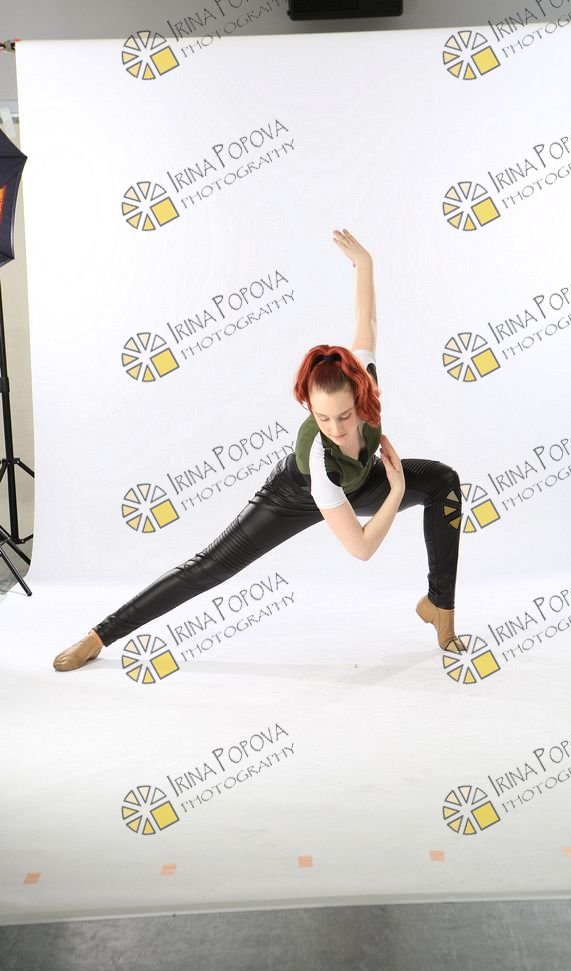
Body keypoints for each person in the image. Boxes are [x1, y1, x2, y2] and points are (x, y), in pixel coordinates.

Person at [53, 229, 463, 672]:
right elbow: (361, 549)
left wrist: (364, 262)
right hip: (297, 494)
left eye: (345, 416)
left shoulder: (366, 377)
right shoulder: (319, 456)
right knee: (210, 567)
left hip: (360, 481)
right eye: (322, 418)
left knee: (443, 481)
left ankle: (440, 607)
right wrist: (397, 490)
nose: (336, 429)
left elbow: (368, 320)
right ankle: (99, 635)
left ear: (360, 394)